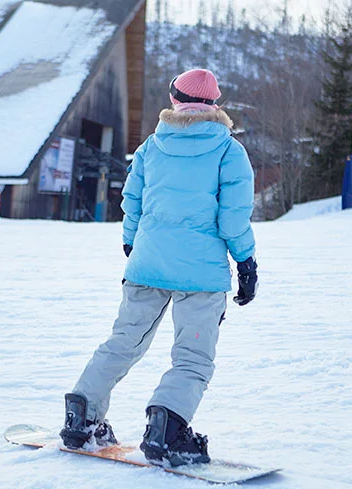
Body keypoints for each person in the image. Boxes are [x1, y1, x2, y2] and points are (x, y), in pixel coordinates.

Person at [60, 68, 258, 467]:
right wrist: (246, 261)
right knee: (192, 357)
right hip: (200, 275)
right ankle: (167, 430)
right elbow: (233, 217)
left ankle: (82, 416)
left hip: (147, 265)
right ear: (215, 105)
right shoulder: (229, 151)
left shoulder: (152, 146)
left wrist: (132, 242)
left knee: (123, 341)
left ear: (174, 100)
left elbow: (131, 201)